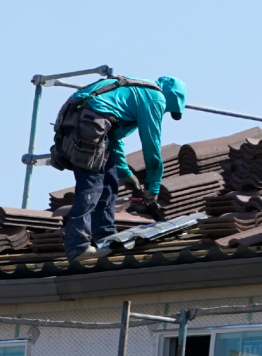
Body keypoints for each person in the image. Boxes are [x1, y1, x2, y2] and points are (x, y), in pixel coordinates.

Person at [49, 75, 186, 261]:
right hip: (89, 122)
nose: (164, 112)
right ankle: (78, 246)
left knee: (108, 181)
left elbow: (113, 137)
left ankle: (104, 237)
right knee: (91, 186)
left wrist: (125, 172)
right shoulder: (155, 97)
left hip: (79, 121)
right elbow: (151, 145)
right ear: (172, 98)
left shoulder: (133, 91)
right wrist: (153, 185)